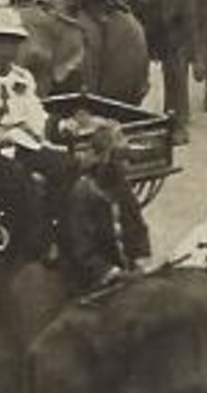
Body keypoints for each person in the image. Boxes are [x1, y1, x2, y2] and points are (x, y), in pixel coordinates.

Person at [0, 7, 75, 260]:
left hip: (21, 144)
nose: (9, 48)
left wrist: (58, 126)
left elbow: (35, 114)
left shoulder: (23, 77)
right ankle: (32, 246)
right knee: (18, 178)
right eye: (2, 41)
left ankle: (61, 231)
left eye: (13, 42)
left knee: (65, 166)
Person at [60, 122, 150, 293]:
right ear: (106, 159)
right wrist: (114, 273)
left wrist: (140, 261)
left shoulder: (121, 186)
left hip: (125, 274)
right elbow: (81, 249)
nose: (127, 165)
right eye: (121, 158)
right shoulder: (81, 194)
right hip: (92, 281)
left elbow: (138, 227)